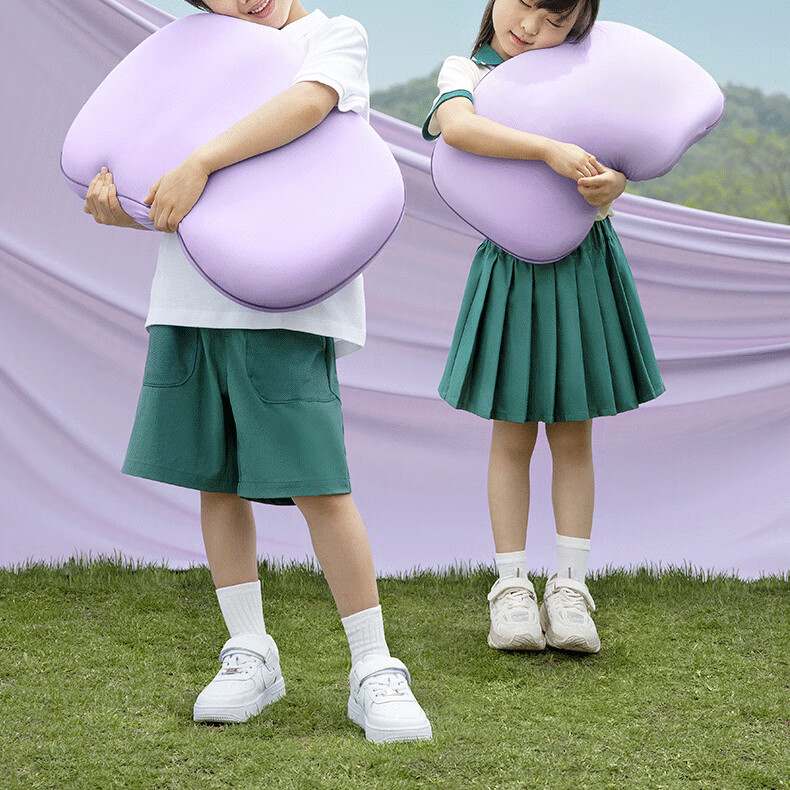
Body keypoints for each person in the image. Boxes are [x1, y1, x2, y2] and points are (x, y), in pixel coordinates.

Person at [81, 0, 431, 743]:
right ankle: (249, 652)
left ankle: (374, 665)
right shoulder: (192, 52)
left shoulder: (330, 36)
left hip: (286, 302)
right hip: (191, 298)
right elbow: (164, 177)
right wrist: (128, 206)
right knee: (215, 479)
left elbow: (307, 105)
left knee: (319, 485)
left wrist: (200, 162)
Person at [422, 0, 664, 654]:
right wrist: (549, 150)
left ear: (577, 27)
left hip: (583, 262)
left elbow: (621, 152)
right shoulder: (468, 72)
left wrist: (613, 182)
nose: (531, 27)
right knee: (511, 433)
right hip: (512, 264)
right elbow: (456, 128)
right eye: (525, 4)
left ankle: (570, 588)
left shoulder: (583, 77)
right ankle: (511, 589)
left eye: (555, 21)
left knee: (573, 434)